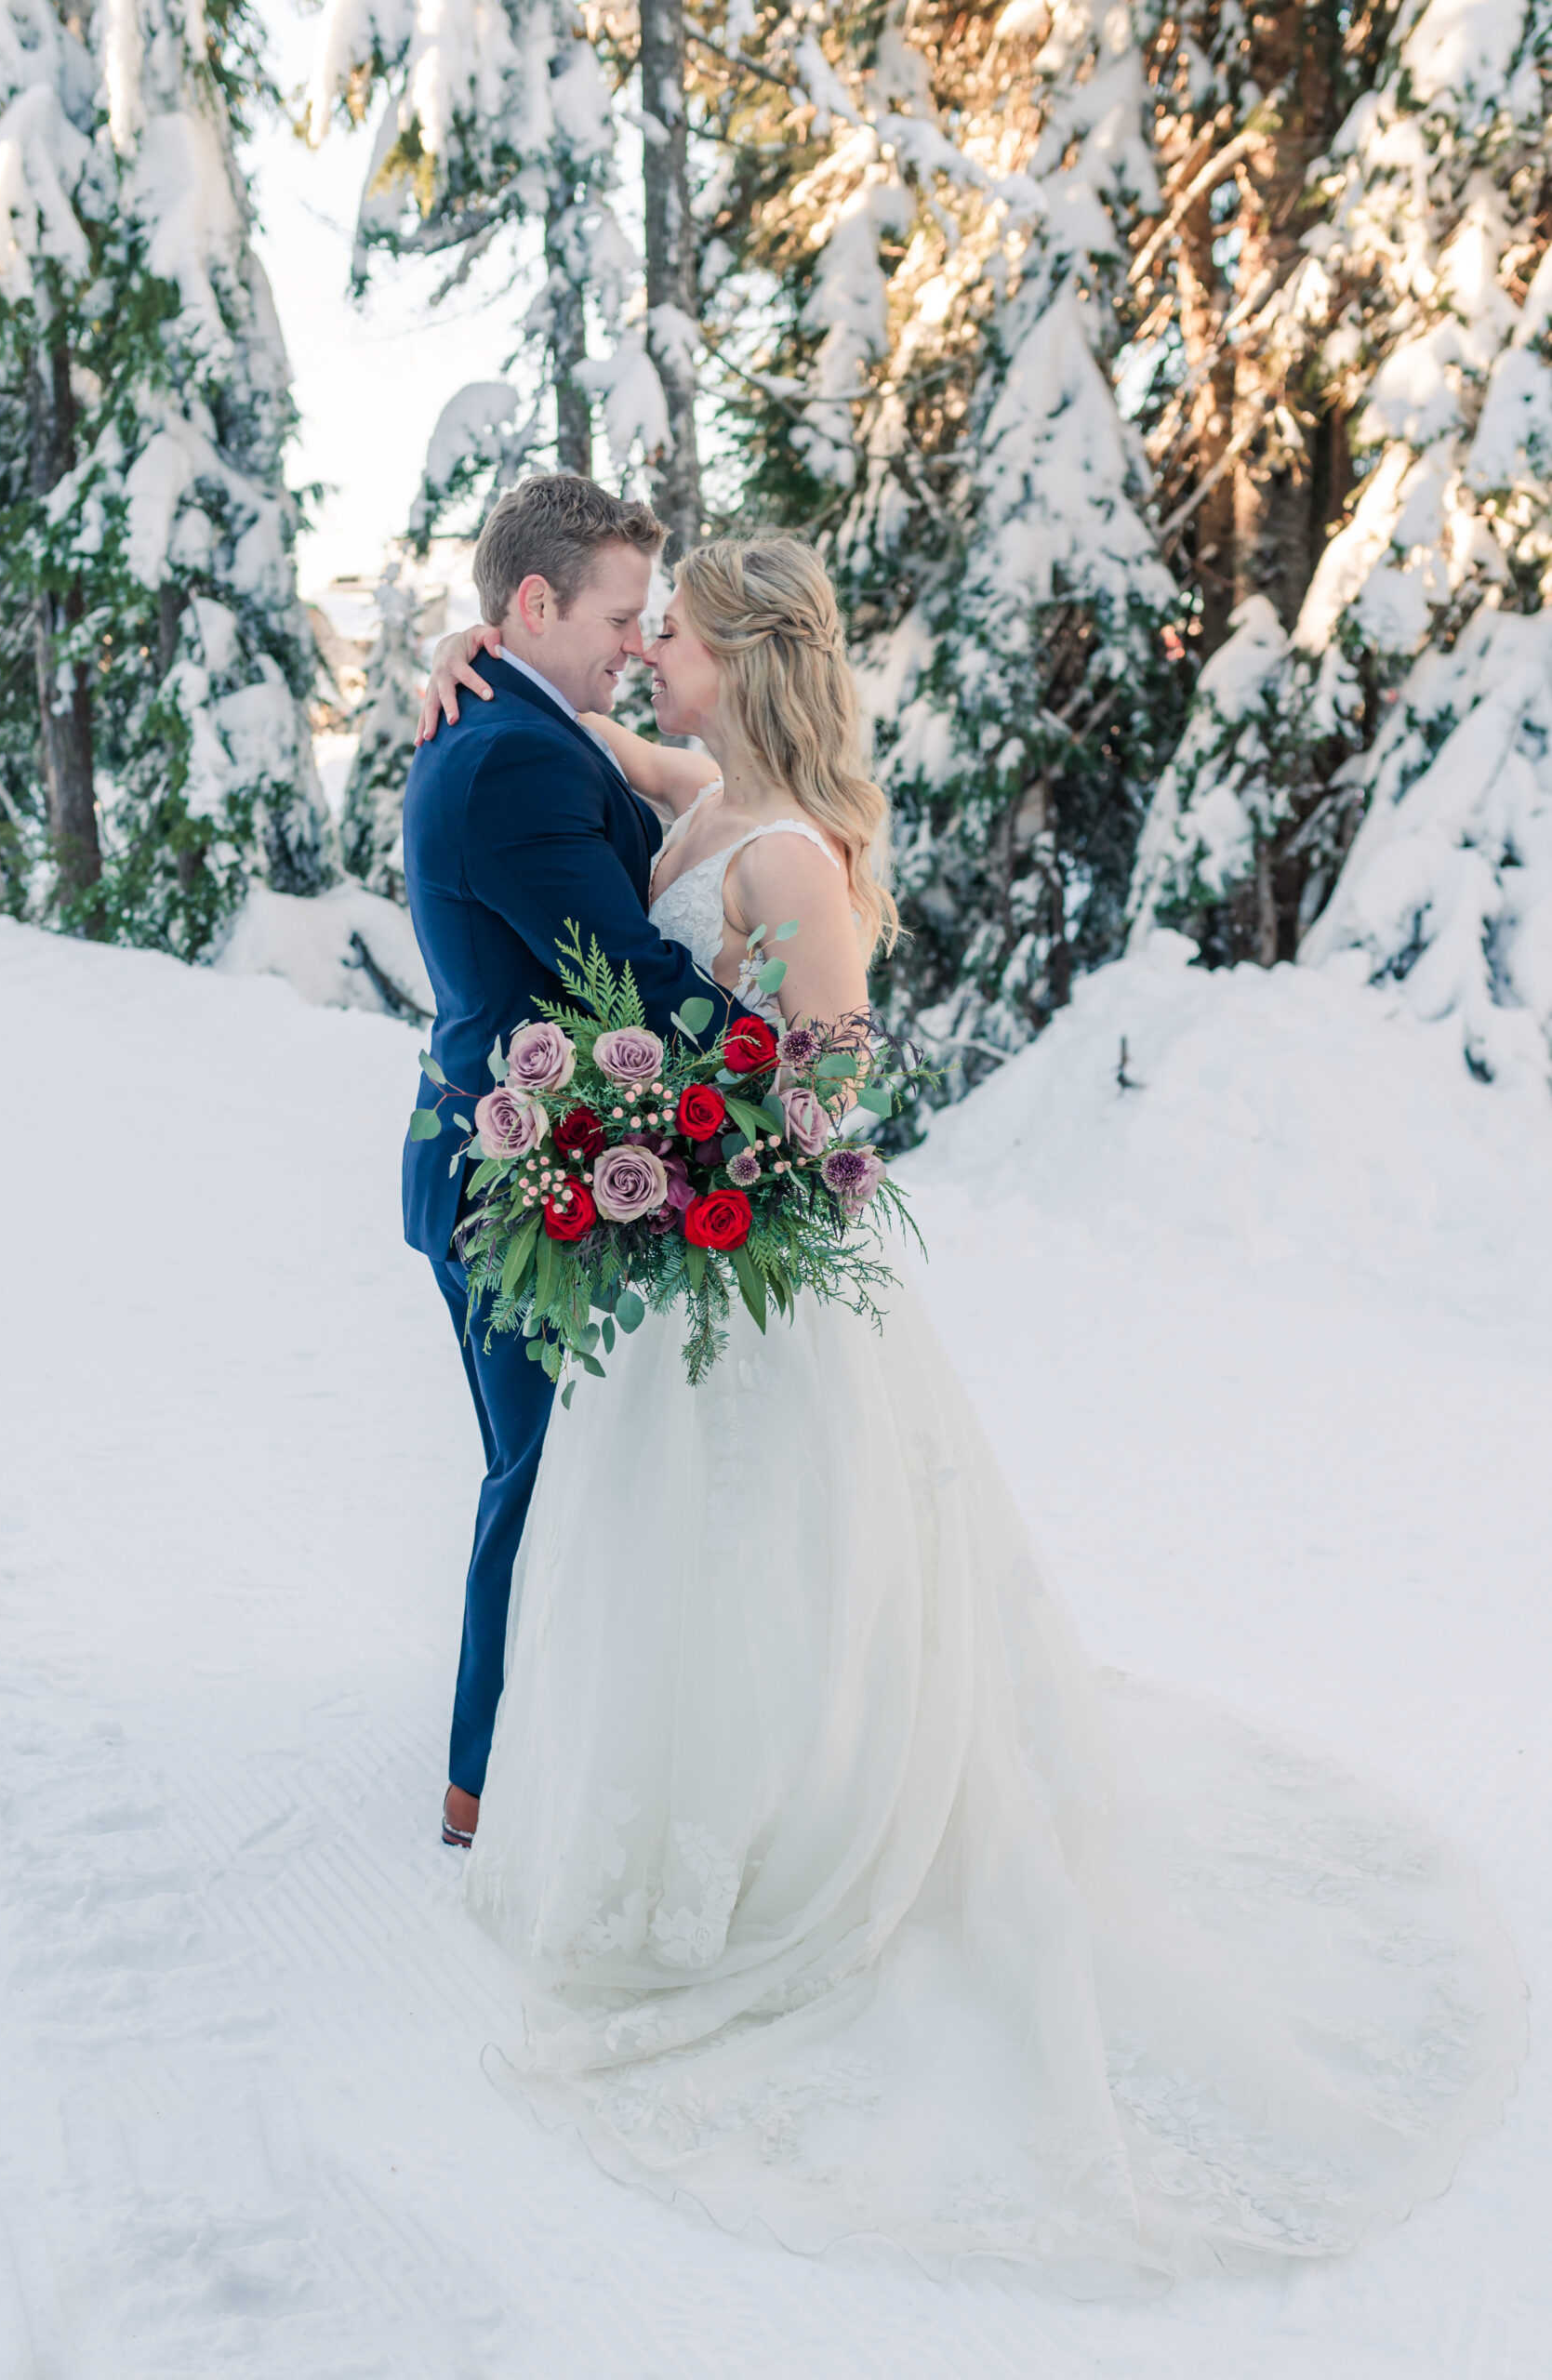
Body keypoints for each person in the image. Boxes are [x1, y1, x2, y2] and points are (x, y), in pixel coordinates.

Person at [418, 535, 1525, 2291]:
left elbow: (842, 1077)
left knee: (788, 1564)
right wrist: (483, 670)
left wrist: (725, 1159)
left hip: (755, 1276)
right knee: (673, 1567)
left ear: (746, 662)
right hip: (673, 1268)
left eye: (677, 642)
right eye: (645, 634)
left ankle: (807, 1841)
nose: (653, 665)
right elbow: (606, 759)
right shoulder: (702, 789)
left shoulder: (784, 851)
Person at [402, 475, 758, 1855]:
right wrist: (787, 1076)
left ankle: (524, 1751)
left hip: (517, 1158)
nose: (635, 640)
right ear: (535, 606)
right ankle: (484, 1782)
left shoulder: (521, 716)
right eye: (618, 616)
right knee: (544, 1479)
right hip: (513, 1179)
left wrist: (468, 645)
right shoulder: (516, 758)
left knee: (556, 1472)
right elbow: (635, 985)